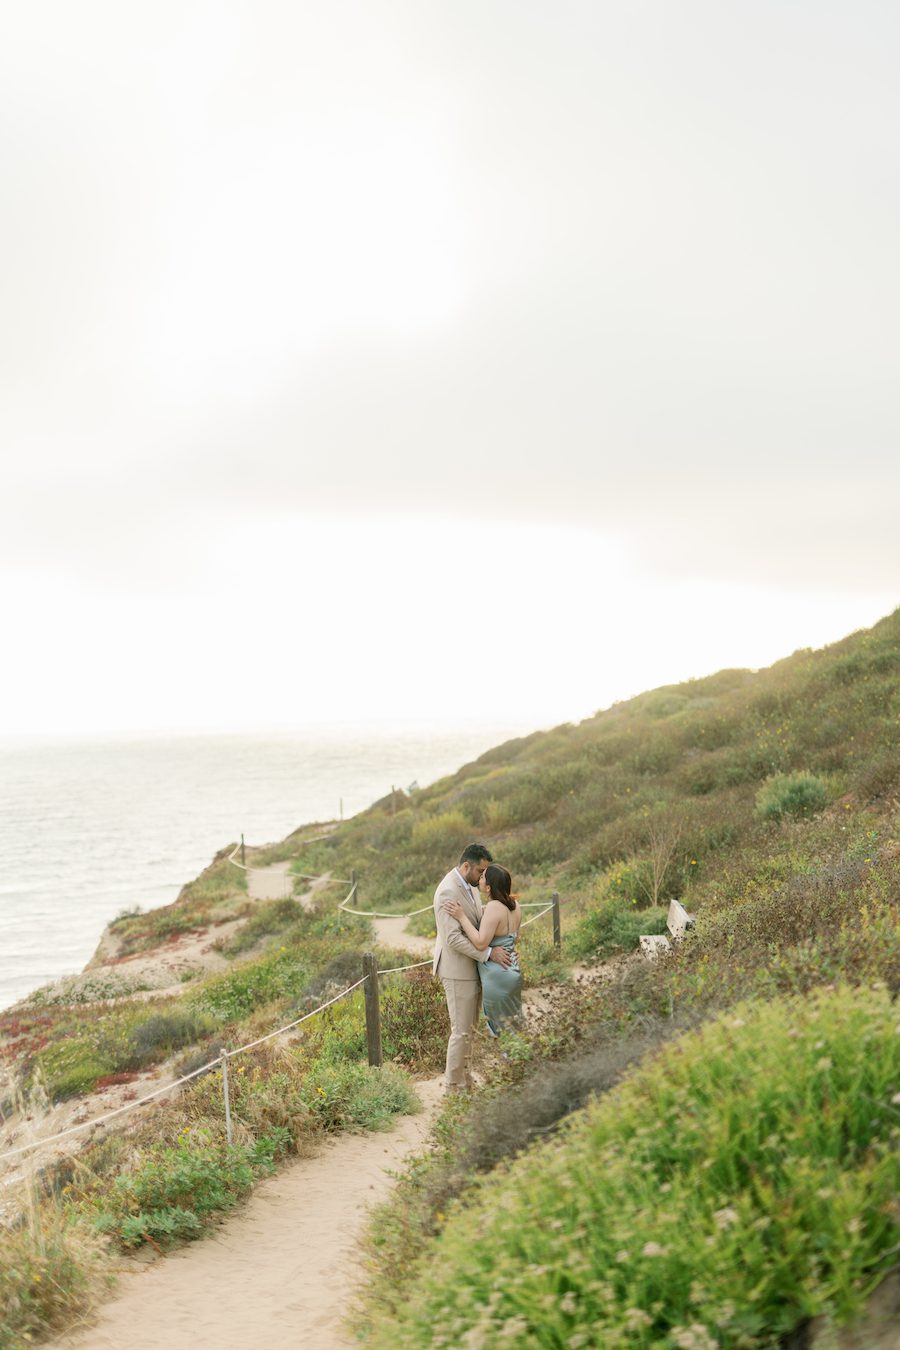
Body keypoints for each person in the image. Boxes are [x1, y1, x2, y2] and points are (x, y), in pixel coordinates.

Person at [433, 843, 513, 1092]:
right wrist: (488, 953)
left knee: (471, 1029)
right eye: (480, 871)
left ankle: (466, 1081)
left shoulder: (470, 885)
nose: (483, 877)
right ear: (466, 866)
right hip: (457, 971)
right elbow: (453, 939)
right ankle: (452, 1087)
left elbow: (475, 916)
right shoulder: (447, 892)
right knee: (460, 1032)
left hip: (472, 968)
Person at [447, 863, 522, 1036]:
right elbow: (515, 937)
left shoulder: (494, 907)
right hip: (512, 969)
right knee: (513, 1025)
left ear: (488, 887)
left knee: (501, 1029)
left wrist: (461, 917)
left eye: (482, 877)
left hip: (497, 974)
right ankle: (518, 1059)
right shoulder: (515, 905)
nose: (479, 879)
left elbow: (481, 943)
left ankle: (510, 1060)